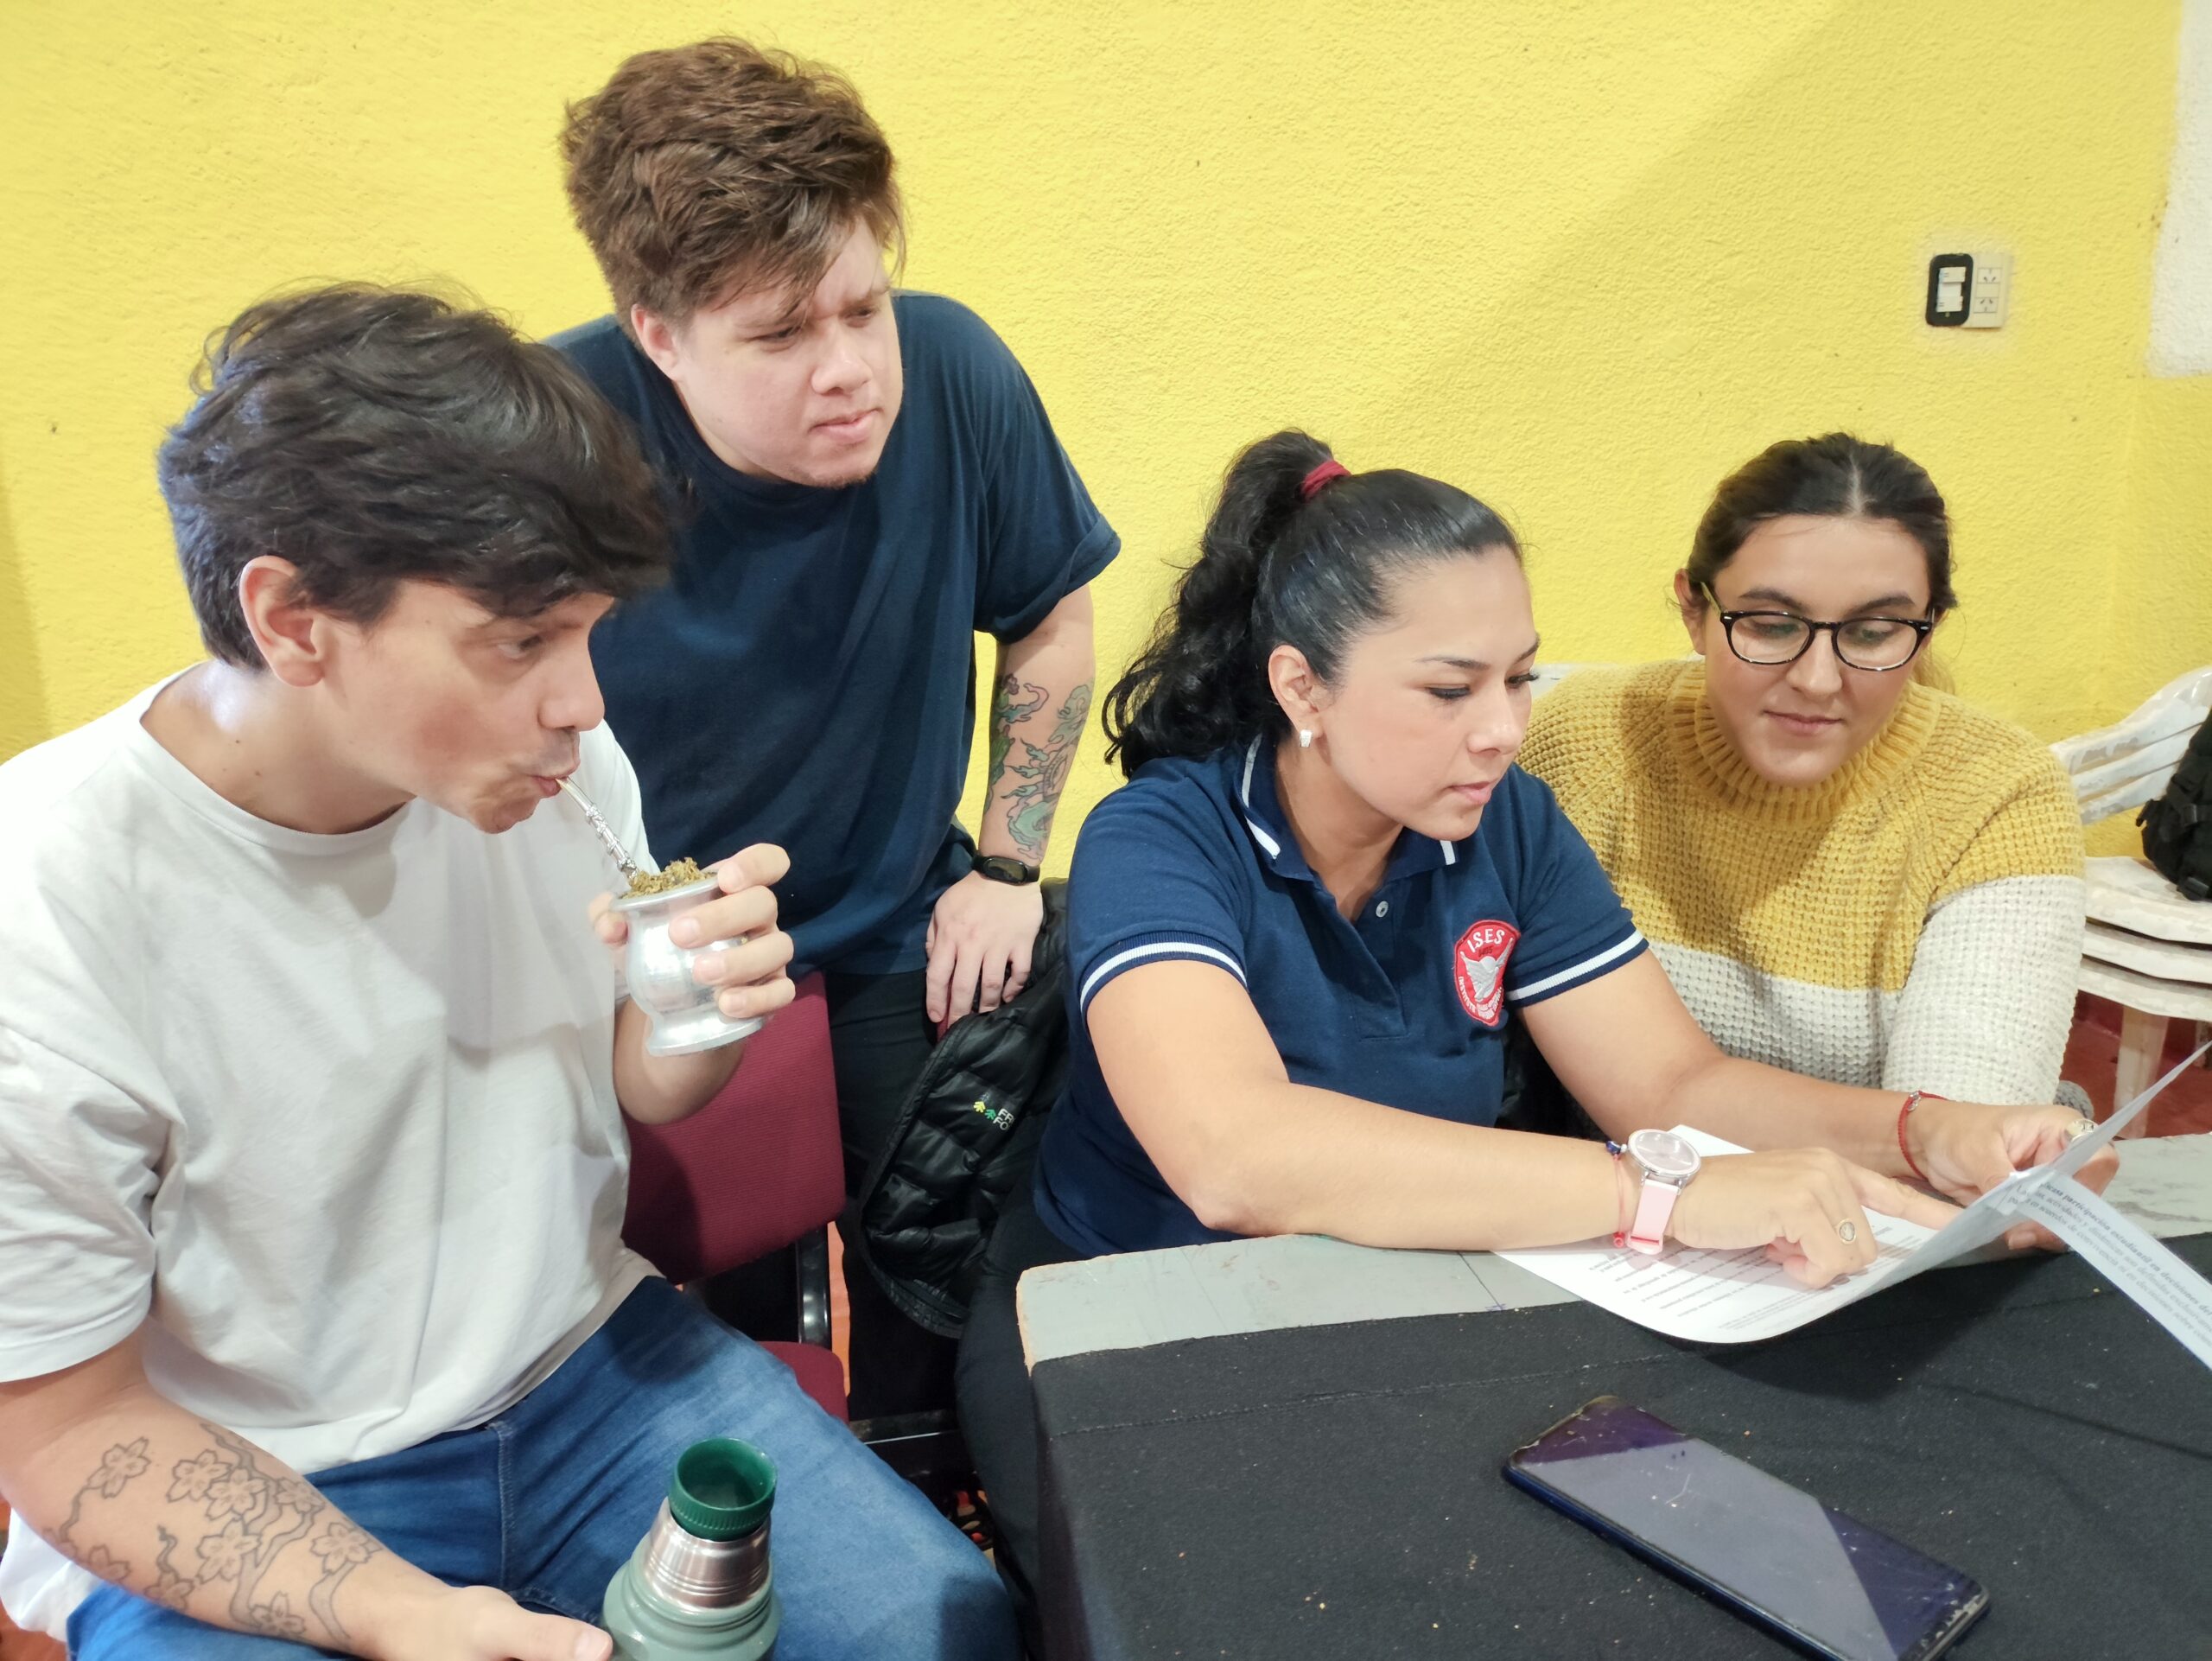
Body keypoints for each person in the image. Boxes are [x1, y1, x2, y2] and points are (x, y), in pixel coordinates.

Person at [954, 430, 2114, 1643]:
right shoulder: (1163, 837)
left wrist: (1929, 1131)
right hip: (1130, 1318)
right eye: (1450, 689)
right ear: (1303, 689)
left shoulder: (1505, 824)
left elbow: (1670, 1079)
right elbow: (1236, 1155)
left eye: (1519, 678)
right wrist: (1661, 1196)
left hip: (1393, 1306)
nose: (1504, 728)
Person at [0, 286, 1017, 1659]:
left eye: (589, 631)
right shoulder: (45, 912)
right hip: (254, 1459)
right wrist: (407, 1614)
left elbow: (638, 1081)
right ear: (293, 620)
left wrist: (700, 1012)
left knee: (939, 1626)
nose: (584, 702)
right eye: (522, 641)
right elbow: (67, 1431)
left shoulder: (552, 772)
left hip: (587, 1370)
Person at [554, 39, 1116, 1419]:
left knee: (944, 1280)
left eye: (864, 308)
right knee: (717, 1323)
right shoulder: (548, 438)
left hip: (888, 914)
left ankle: (928, 1473)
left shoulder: (958, 369)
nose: (851, 368)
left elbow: (1049, 616)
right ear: (658, 333)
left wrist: (1005, 862)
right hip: (654, 944)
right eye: (782, 335)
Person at [1518, 433, 2084, 1105]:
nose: (1817, 681)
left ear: (1926, 629)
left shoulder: (1998, 792)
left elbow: (1955, 1125)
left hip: (1864, 1176)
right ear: (1695, 611)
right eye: (1770, 624)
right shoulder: (1586, 739)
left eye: (1873, 633)